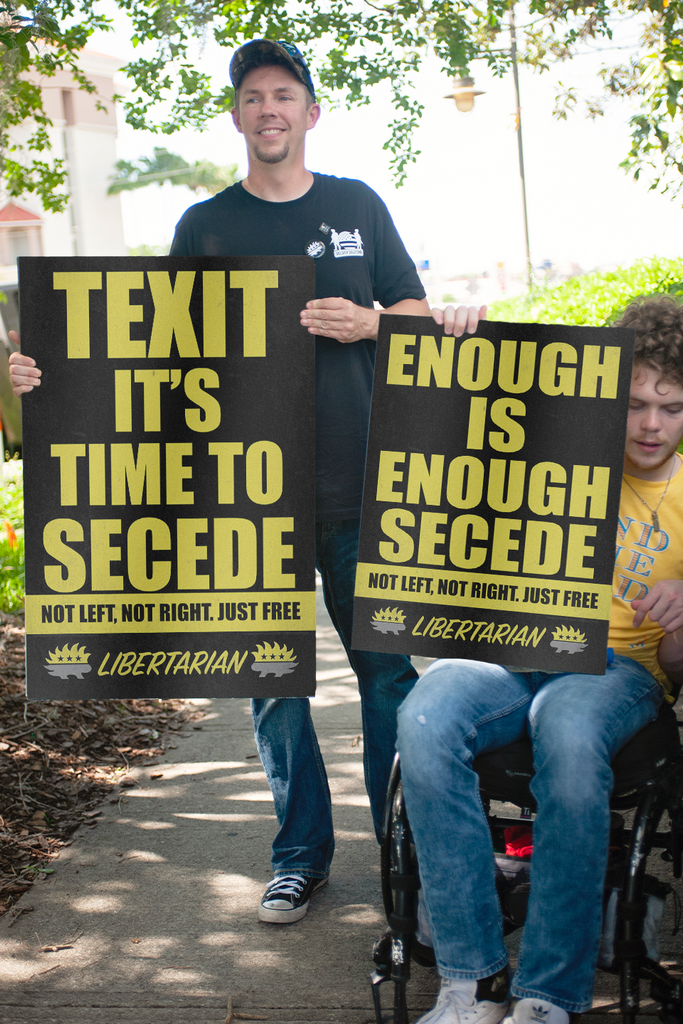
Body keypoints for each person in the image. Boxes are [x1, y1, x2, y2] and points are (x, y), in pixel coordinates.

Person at [9, 38, 483, 925]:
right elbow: (156, 349)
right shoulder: (204, 225)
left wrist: (369, 323)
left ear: (311, 112)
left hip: (358, 489)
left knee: (389, 682)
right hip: (248, 500)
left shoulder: (357, 205)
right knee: (270, 688)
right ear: (236, 114)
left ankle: (405, 850)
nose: (269, 108)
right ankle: (298, 857)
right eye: (253, 95)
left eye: (284, 94)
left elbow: (414, 313)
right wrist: (54, 377)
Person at [396, 295, 683, 1024]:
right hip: (513, 648)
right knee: (425, 712)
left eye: (672, 407)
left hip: (616, 670)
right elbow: (467, 415)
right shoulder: (552, 448)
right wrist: (456, 337)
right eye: (634, 402)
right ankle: (473, 978)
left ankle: (548, 992)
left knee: (566, 725)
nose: (650, 424)